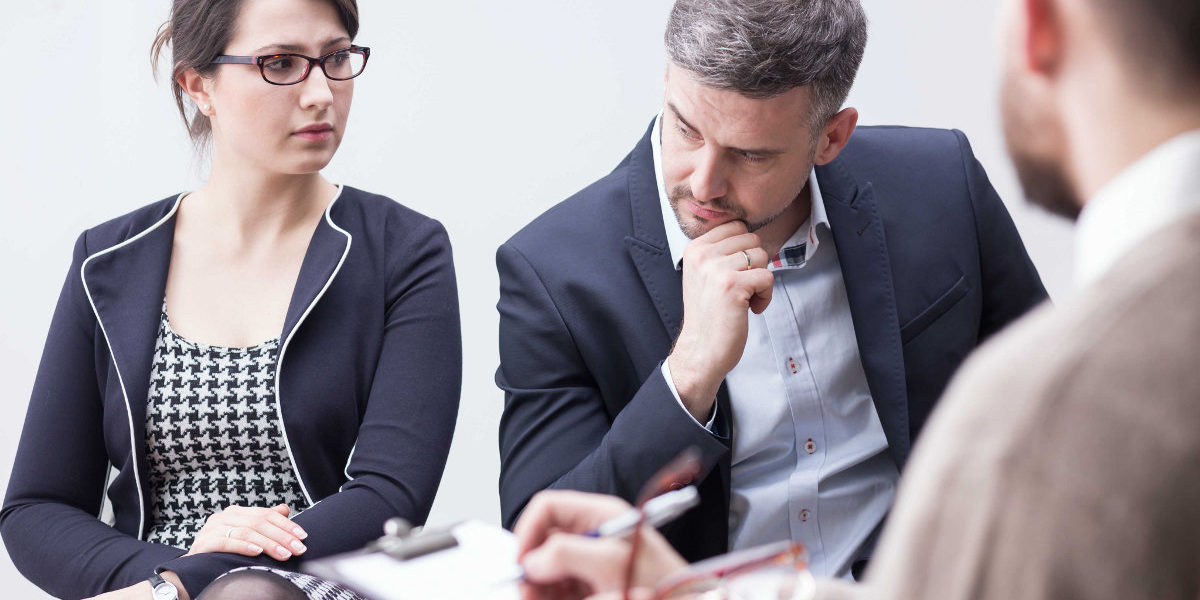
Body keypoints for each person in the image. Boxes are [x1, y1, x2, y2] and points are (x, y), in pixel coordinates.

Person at [513, 0, 1200, 596]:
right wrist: (686, 376)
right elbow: (538, 546)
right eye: (686, 128)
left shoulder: (941, 186)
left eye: (751, 155)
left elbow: (1068, 420)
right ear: (667, 82)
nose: (704, 182)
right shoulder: (553, 270)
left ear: (831, 138)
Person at [0, 0, 462, 599]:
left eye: (336, 58)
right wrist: (160, 575)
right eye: (280, 63)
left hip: (321, 578)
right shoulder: (109, 259)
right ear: (199, 86)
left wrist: (190, 578)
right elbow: (37, 508)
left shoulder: (401, 250)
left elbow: (389, 496)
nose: (321, 92)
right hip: (143, 581)